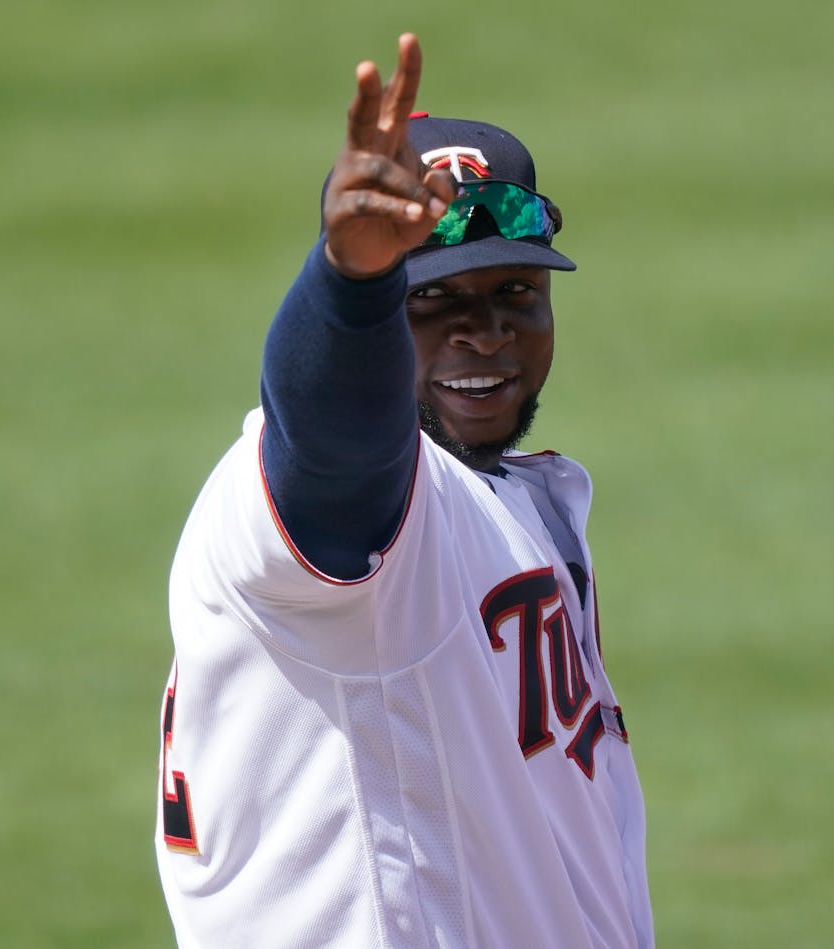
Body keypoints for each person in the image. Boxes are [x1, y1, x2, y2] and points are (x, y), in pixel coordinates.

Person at [155, 33, 654, 948]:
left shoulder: (500, 494)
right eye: (434, 304)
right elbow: (337, 446)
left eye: (515, 292)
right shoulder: (347, 518)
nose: (488, 334)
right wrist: (352, 287)